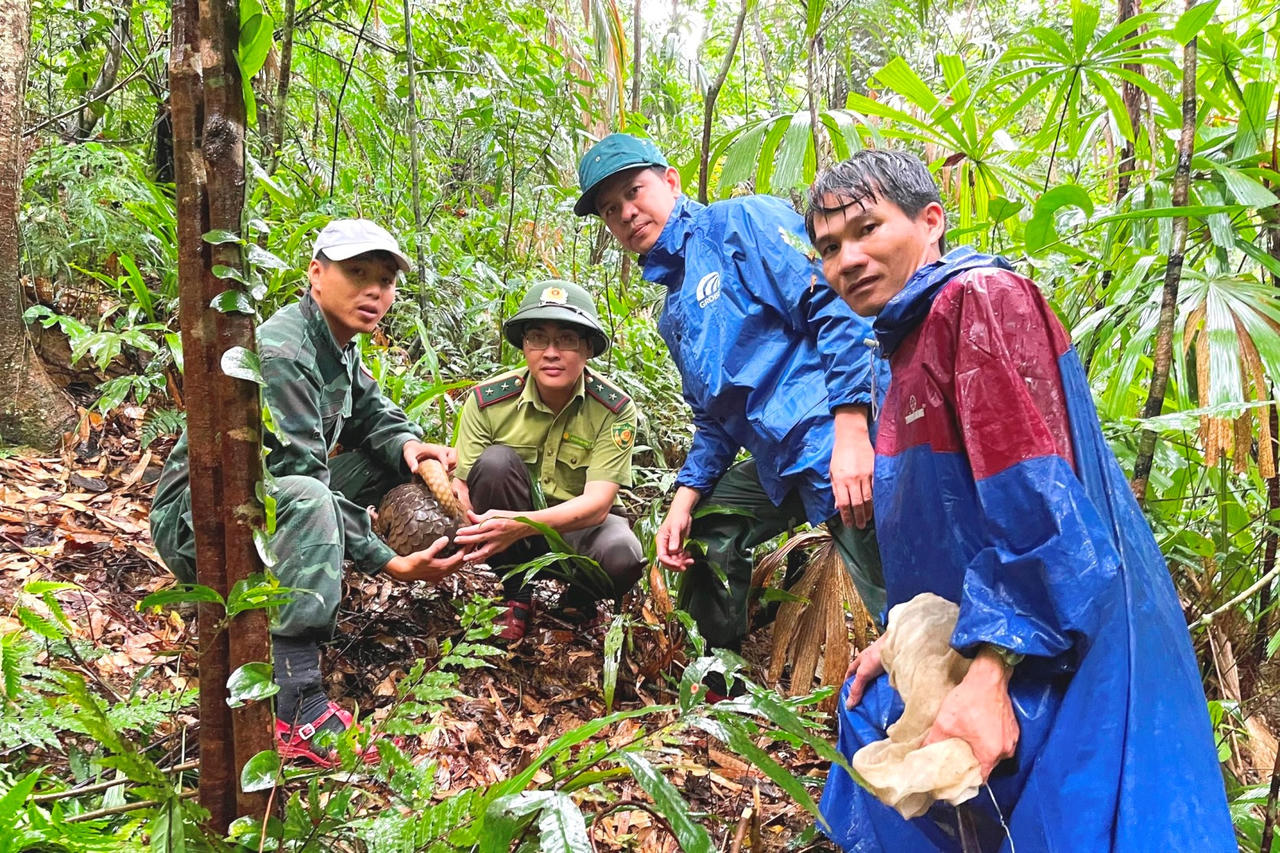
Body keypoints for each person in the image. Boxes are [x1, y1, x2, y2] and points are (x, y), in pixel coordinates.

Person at [806, 150, 1234, 850]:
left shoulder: (975, 301)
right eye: (829, 247)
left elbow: (1037, 501)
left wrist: (991, 671)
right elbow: (950, 523)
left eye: (866, 230)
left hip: (1061, 626)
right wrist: (902, 637)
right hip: (1003, 624)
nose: (847, 258)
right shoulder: (901, 343)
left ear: (931, 221)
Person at [574, 133, 888, 697]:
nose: (625, 212)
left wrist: (852, 434)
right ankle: (718, 683)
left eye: (633, 191)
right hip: (777, 459)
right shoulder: (673, 311)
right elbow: (714, 420)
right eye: (609, 209)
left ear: (669, 181)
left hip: (837, 438)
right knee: (711, 524)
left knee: (897, 596)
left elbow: (839, 309)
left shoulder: (739, 224)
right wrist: (682, 502)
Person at [150, 219, 463, 767]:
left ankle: (301, 605)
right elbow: (305, 482)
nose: (374, 291)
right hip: (194, 522)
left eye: (385, 280)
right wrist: (391, 563)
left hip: (259, 499)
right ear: (316, 275)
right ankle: (297, 701)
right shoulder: (286, 352)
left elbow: (371, 413)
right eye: (357, 273)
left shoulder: (337, 343)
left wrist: (411, 447)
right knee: (311, 498)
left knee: (367, 463)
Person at [450, 279, 645, 642]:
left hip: (582, 529)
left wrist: (525, 523)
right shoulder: (488, 401)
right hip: (510, 531)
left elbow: (598, 505)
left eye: (567, 340)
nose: (551, 352)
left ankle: (580, 600)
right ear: (524, 346)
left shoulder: (614, 409)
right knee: (494, 465)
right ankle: (516, 593)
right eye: (537, 338)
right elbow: (462, 488)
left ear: (588, 348)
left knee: (624, 556)